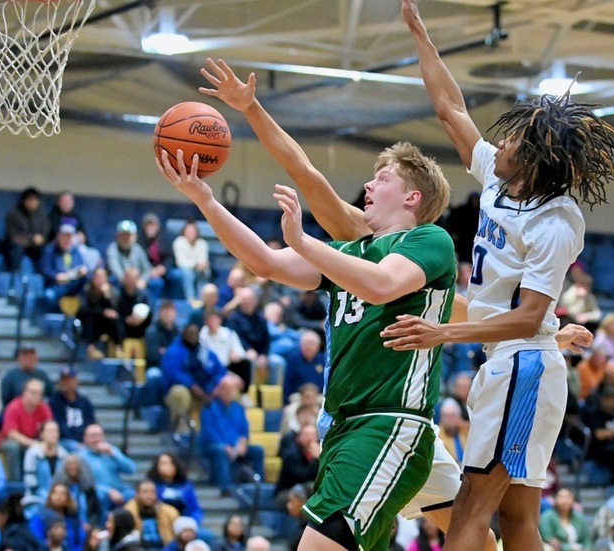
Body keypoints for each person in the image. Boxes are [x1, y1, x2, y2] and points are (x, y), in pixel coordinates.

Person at [379, 2, 614, 550]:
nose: (504, 141)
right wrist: (423, 38)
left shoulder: (556, 219)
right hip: (517, 365)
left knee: (472, 509)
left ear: (537, 160)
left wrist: (443, 332)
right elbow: (449, 108)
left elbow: (530, 316)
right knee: (517, 521)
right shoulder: (497, 176)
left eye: (518, 140)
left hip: (523, 366)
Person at [188, 59, 455, 550]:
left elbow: (379, 286)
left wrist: (306, 242)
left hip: (390, 421)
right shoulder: (350, 252)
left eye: (382, 179)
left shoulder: (429, 240)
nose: (369, 186)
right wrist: (205, 199)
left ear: (413, 196)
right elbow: (266, 263)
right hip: (343, 429)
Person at [199, 374, 265, 496]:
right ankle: (225, 487)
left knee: (258, 450)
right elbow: (209, 432)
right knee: (219, 449)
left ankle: (260, 487)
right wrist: (225, 446)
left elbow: (244, 430)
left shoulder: (239, 408)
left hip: (236, 446)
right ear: (219, 390)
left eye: (232, 389)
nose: (229, 392)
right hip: (215, 446)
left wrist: (242, 443)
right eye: (226, 389)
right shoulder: (209, 408)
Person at [160, 324, 227, 432]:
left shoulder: (205, 351)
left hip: (207, 392)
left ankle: (225, 434)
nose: (192, 335)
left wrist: (214, 387)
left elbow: (220, 371)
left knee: (228, 388)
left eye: (195, 333)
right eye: (189, 333)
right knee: (179, 392)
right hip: (184, 391)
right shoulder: (174, 351)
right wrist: (192, 385)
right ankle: (182, 432)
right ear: (183, 334)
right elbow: (173, 373)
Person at [0, 378, 54, 482]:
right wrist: (33, 443)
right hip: (11, 441)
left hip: (35, 440)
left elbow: (50, 427)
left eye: (39, 393)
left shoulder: (44, 408)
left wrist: (46, 442)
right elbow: (11, 433)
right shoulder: (14, 406)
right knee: (12, 447)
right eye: (33, 392)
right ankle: (15, 484)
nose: (36, 396)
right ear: (24, 392)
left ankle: (45, 482)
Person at [78, 423, 136, 511]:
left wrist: (113, 454)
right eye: (92, 436)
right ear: (85, 439)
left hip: (119, 491)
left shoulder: (112, 451)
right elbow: (84, 484)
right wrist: (108, 491)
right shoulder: (81, 457)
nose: (96, 439)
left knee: (133, 494)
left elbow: (131, 469)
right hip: (98, 494)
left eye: (99, 435)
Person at [582, 386, 614, 482]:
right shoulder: (595, 413)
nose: (613, 403)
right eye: (611, 399)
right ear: (604, 399)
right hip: (599, 449)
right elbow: (599, 434)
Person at [200, 309, 252, 389]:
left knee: (245, 364)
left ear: (220, 320)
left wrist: (235, 353)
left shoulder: (228, 333)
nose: (212, 322)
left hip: (227, 365)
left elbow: (240, 351)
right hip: (211, 368)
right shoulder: (202, 335)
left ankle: (243, 393)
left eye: (214, 319)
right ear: (205, 322)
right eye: (209, 320)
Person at [146, 452, 204, 524]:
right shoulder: (150, 485)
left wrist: (192, 521)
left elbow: (195, 509)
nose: (168, 466)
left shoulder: (187, 486)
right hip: (158, 521)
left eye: (171, 463)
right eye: (164, 463)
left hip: (183, 522)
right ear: (157, 466)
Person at [79, 267, 123, 360]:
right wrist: (103, 312)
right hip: (93, 324)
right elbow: (83, 310)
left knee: (116, 318)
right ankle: (91, 348)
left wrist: (107, 295)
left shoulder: (113, 291)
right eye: (97, 277)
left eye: (102, 277)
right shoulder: (87, 290)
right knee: (89, 319)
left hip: (107, 324)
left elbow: (116, 309)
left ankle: (118, 348)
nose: (99, 280)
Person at [106, 220, 159, 297]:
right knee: (113, 280)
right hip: (121, 282)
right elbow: (115, 268)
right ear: (118, 236)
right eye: (123, 235)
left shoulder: (138, 249)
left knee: (156, 283)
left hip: (137, 282)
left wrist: (143, 280)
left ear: (134, 236)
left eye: (128, 235)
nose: (126, 238)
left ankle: (150, 308)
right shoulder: (112, 249)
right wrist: (129, 281)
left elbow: (147, 269)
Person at [41, 224, 89, 308]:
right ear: (59, 236)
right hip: (56, 285)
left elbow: (82, 266)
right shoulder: (50, 250)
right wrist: (56, 276)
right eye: (65, 237)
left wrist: (82, 271)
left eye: (69, 237)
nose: (67, 240)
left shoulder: (75, 251)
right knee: (49, 295)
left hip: (73, 285)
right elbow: (45, 269)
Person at [274, 423, 320, 509]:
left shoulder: (321, 453)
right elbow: (302, 477)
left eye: (313, 435)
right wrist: (315, 460)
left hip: (307, 491)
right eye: (306, 435)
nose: (310, 439)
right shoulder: (291, 455)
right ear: (298, 438)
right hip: (285, 493)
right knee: (305, 490)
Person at [124, 479, 180, 550]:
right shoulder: (128, 512)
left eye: (152, 492)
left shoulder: (170, 512)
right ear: (137, 494)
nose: (149, 495)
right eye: (145, 492)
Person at [139, 212, 184, 300]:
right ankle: (153, 306)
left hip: (164, 270)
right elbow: (141, 260)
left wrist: (164, 268)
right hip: (149, 271)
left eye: (152, 225)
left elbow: (171, 258)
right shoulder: (140, 242)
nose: (150, 228)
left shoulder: (165, 239)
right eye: (148, 225)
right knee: (157, 283)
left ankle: (174, 302)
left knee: (178, 275)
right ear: (144, 227)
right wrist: (150, 271)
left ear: (157, 226)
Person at [5, 187, 50, 273]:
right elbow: (13, 235)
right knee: (15, 248)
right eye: (30, 200)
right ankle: (14, 274)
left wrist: (40, 239)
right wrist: (31, 238)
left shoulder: (42, 216)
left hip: (35, 247)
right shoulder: (14, 214)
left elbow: (44, 233)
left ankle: (43, 274)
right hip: (18, 245)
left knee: (47, 249)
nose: (32, 203)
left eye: (35, 200)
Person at [29, 482, 86, 551]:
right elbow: (36, 541)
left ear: (68, 498)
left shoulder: (73, 518)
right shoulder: (40, 517)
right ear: (50, 496)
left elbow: (81, 540)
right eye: (55, 493)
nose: (59, 496)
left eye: (63, 493)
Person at [23, 420, 69, 503]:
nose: (54, 434)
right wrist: (48, 496)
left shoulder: (64, 455)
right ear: (42, 434)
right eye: (50, 431)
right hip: (36, 498)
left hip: (60, 499)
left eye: (56, 431)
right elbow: (30, 481)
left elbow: (66, 481)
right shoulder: (33, 453)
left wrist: (58, 496)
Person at [50, 367, 96, 450]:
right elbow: (57, 426)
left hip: (84, 442)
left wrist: (86, 441)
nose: (67, 383)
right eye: (64, 380)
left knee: (110, 450)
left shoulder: (85, 403)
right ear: (60, 382)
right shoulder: (54, 402)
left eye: (70, 380)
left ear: (76, 381)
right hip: (63, 442)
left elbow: (91, 424)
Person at [280, 330, 325, 403]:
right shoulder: (293, 359)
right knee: (291, 410)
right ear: (300, 345)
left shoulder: (323, 360)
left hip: (318, 397)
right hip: (298, 397)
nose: (309, 347)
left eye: (312, 344)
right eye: (306, 343)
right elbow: (287, 383)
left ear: (318, 346)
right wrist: (285, 403)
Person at [172, 219, 210, 302]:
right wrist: (195, 264)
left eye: (193, 231)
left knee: (206, 271)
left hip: (197, 269)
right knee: (187, 273)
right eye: (188, 231)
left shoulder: (202, 243)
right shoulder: (179, 242)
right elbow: (180, 262)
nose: (191, 233)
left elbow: (203, 261)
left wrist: (201, 265)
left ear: (197, 232)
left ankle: (202, 300)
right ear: (184, 232)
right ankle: (191, 300)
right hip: (182, 269)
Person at [145, 300, 181, 369]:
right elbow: (153, 355)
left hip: (174, 367)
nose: (168, 315)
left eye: (170, 312)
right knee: (153, 374)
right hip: (157, 366)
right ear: (159, 313)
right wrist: (172, 352)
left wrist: (165, 351)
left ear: (176, 314)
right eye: (165, 312)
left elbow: (182, 353)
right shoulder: (151, 331)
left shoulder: (178, 332)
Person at [436, 398, 468, 464]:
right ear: (441, 417)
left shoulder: (466, 432)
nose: (449, 420)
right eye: (446, 416)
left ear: (459, 417)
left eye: (452, 416)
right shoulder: (437, 436)